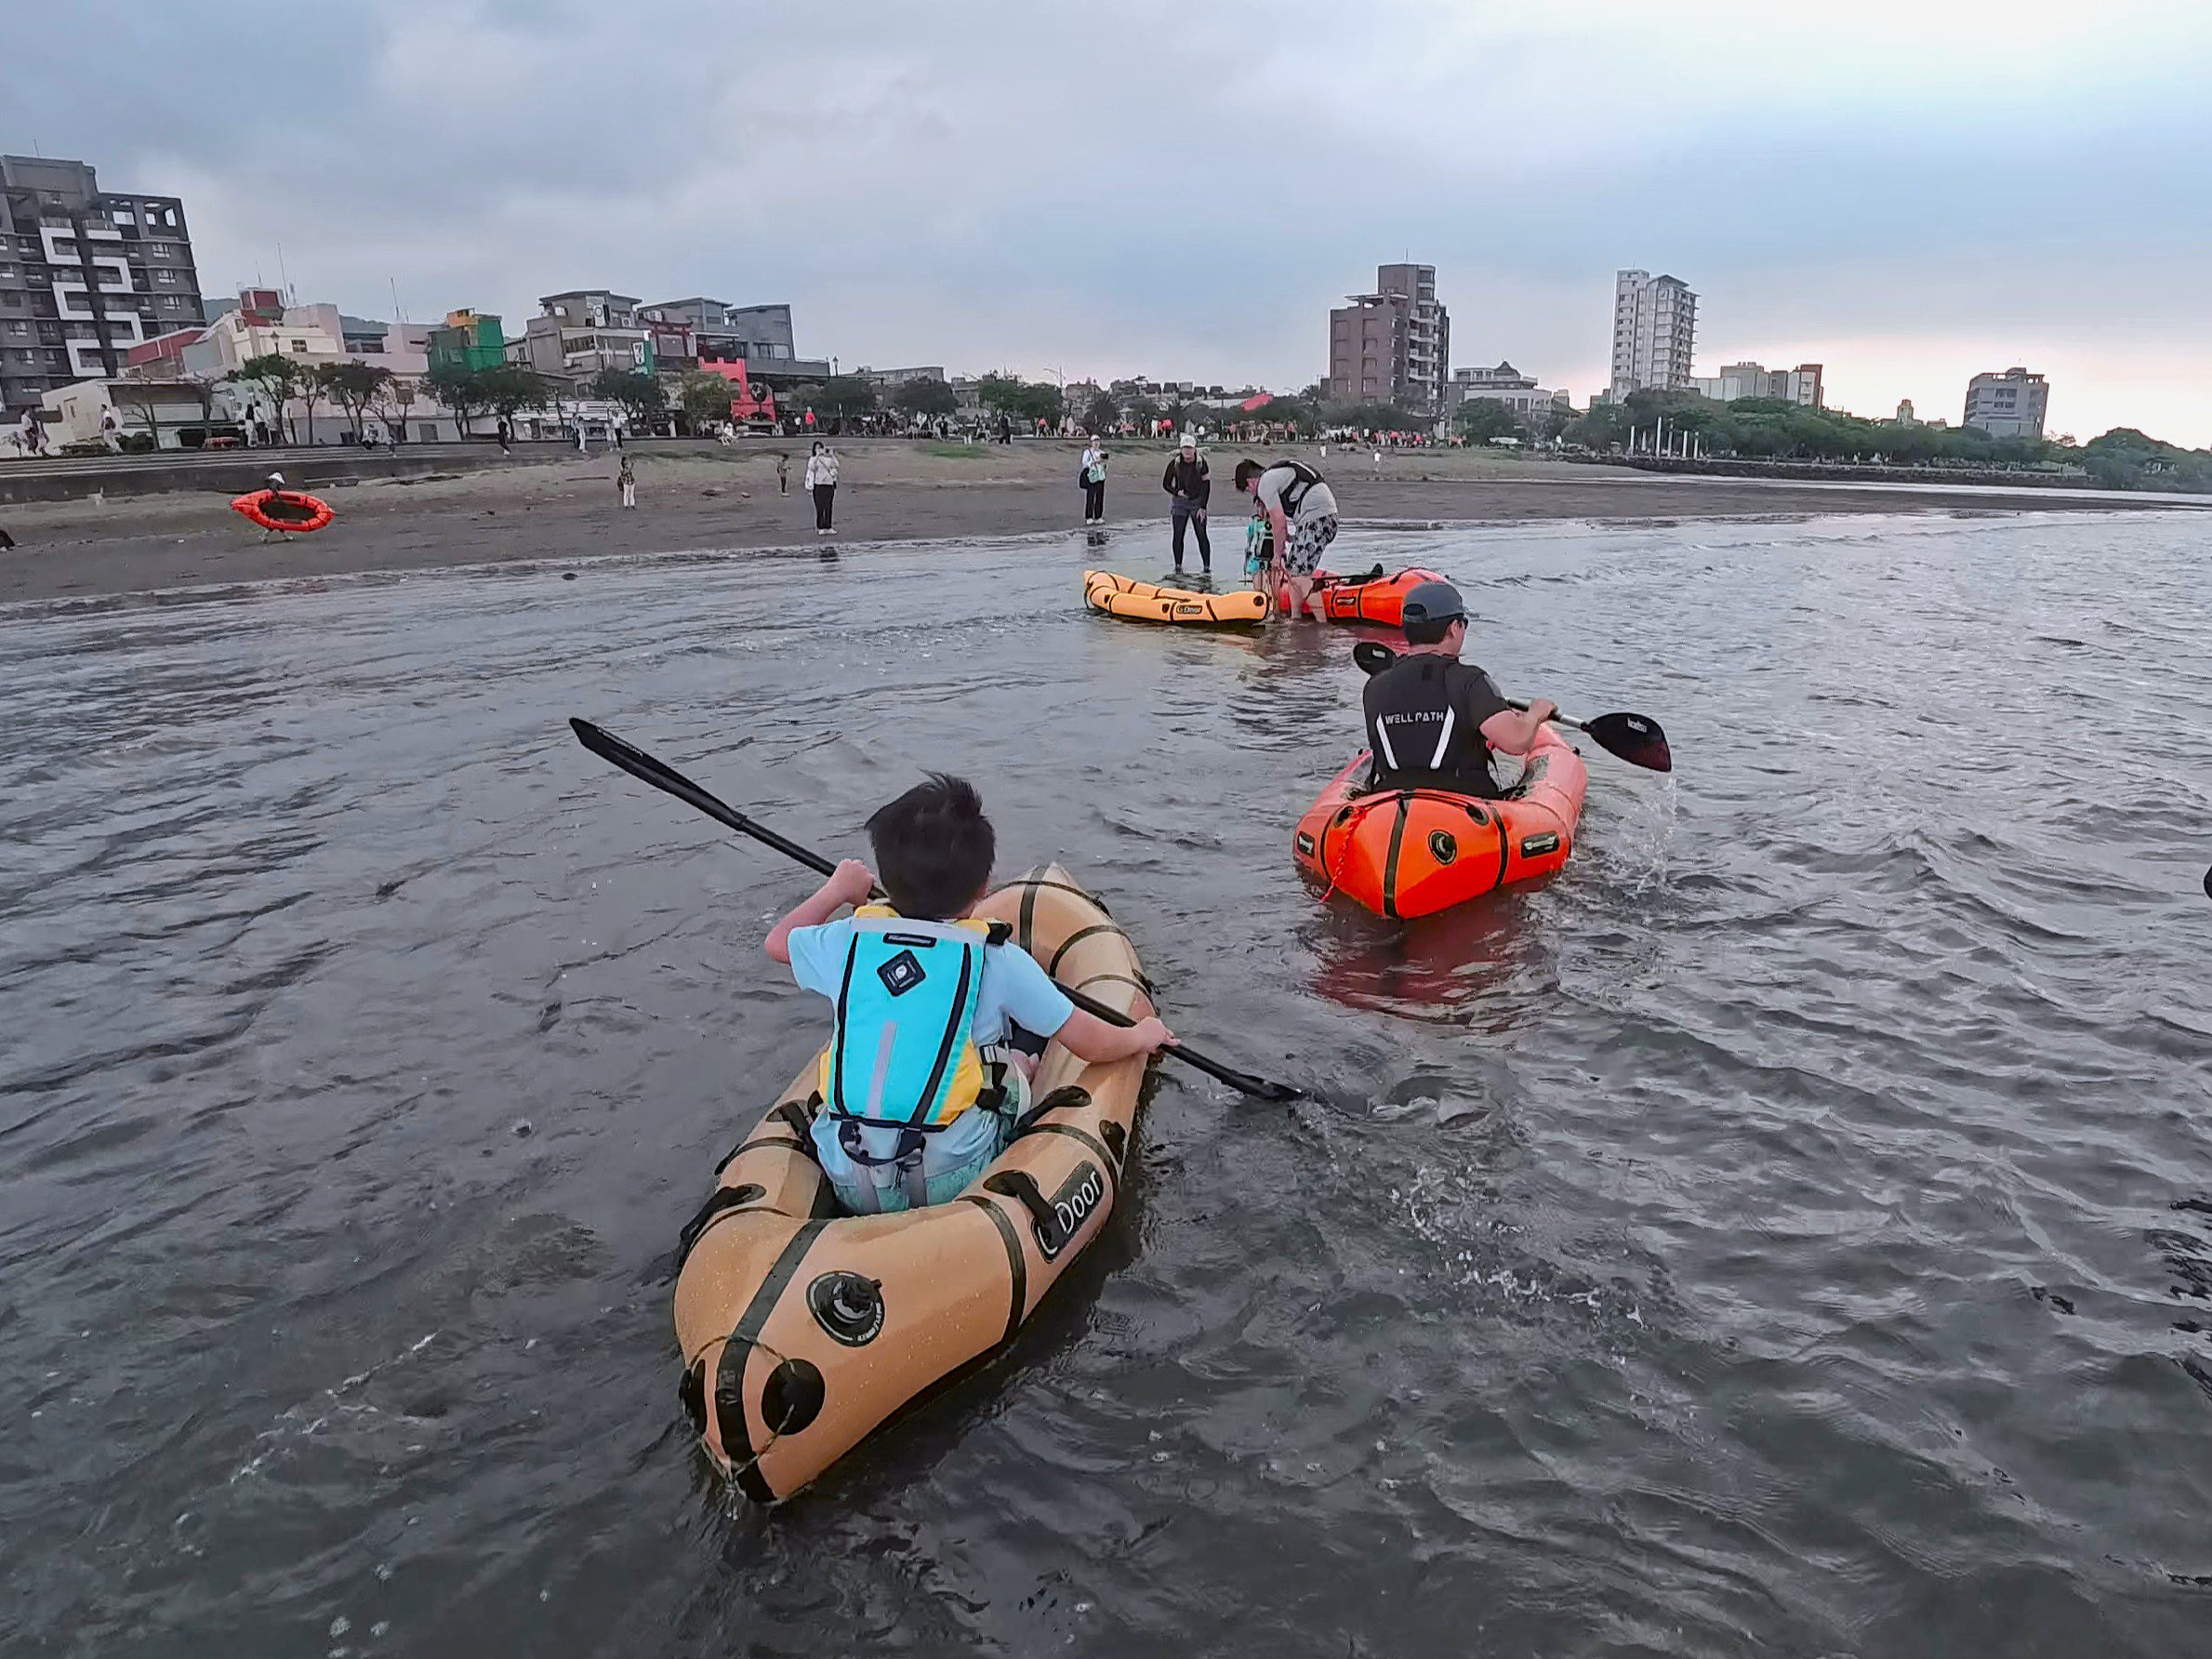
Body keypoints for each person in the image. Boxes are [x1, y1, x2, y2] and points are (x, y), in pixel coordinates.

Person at [765, 775, 1174, 1214]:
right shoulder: (998, 960)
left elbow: (778, 942)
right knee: (1015, 1057)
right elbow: (1092, 1042)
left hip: (846, 1168)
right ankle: (1024, 1065)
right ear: (984, 889)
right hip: (951, 1174)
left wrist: (836, 890)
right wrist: (1142, 1035)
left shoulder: (845, 941)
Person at [1361, 579, 1559, 797]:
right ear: (1454, 628)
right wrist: (1535, 714)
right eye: (1463, 624)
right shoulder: (1470, 681)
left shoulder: (1375, 686)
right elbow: (1516, 741)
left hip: (1390, 803)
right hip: (1462, 806)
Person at [1234, 456, 1337, 619]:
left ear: (1251, 482)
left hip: (1317, 519)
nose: (1253, 493)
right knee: (1292, 570)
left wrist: (1276, 555)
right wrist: (1287, 537)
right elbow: (1281, 525)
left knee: (1298, 575)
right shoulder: (1275, 475)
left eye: (1248, 490)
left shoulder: (1265, 484)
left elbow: (1278, 520)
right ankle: (1296, 619)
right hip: (1319, 519)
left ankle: (1323, 626)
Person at [1160, 432, 1211, 574]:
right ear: (1181, 449)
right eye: (1185, 448)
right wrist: (1176, 492)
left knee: (1201, 535)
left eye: (1190, 448)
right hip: (1180, 503)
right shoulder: (1175, 463)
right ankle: (1178, 567)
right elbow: (1166, 483)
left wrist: (1203, 507)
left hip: (1197, 503)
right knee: (1178, 535)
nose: (1188, 451)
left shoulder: (1201, 463)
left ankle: (1206, 568)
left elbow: (1206, 486)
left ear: (1194, 449)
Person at [804, 439, 839, 535]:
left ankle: (828, 526)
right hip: (818, 484)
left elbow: (836, 465)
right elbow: (812, 467)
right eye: (817, 448)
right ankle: (821, 526)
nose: (820, 450)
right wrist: (817, 456)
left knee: (829, 506)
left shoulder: (827, 459)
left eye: (821, 448)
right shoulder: (813, 459)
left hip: (829, 484)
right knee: (820, 506)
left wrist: (832, 455)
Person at [1080, 438, 1108, 524]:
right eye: (1094, 441)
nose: (1096, 443)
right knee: (1090, 496)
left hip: (1101, 476)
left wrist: (1104, 465)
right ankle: (1089, 516)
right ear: (1091, 442)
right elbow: (1084, 463)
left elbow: (1106, 464)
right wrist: (1094, 462)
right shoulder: (1087, 452)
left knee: (1100, 496)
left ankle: (1098, 516)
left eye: (1097, 441)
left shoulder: (1102, 452)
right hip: (1092, 476)